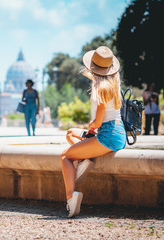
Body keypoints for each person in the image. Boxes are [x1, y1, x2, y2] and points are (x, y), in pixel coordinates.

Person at [60, 46, 126, 218]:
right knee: (71, 133)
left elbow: (97, 122)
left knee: (65, 157)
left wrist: (91, 125)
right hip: (117, 131)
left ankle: (70, 199)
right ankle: (85, 159)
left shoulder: (102, 88)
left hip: (107, 135)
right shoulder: (114, 84)